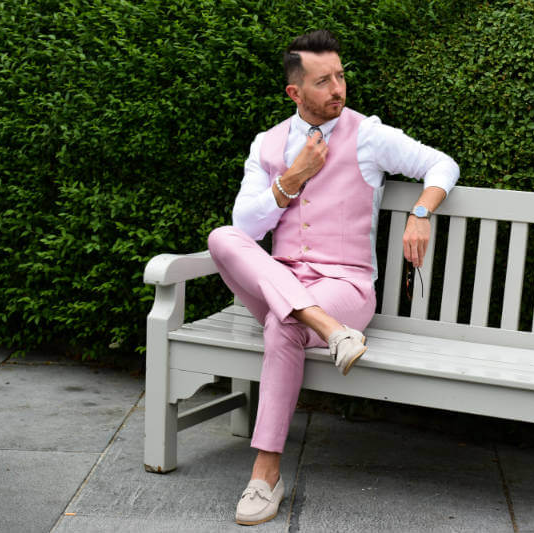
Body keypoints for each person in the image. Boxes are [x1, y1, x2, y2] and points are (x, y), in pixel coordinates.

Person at [207, 29, 459, 526]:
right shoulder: (268, 144)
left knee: (284, 326)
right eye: (324, 81)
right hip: (284, 282)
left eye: (341, 76)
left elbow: (440, 163)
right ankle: (328, 331)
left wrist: (422, 212)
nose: (339, 89)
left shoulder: (367, 134)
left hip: (345, 287)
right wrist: (292, 178)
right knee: (221, 237)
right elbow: (246, 227)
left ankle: (265, 476)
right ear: (295, 93)